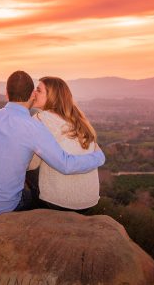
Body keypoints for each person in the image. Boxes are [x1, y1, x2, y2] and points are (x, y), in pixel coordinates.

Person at [0, 71, 105, 222]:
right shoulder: (39, 125)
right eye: (35, 90)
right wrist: (98, 157)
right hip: (8, 205)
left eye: (39, 90)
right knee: (24, 180)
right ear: (31, 95)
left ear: (6, 94)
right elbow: (64, 163)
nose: (36, 93)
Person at [27, 76, 100, 213]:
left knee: (26, 166)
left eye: (38, 90)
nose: (33, 93)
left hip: (59, 202)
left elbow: (32, 164)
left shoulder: (40, 119)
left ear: (52, 96)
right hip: (89, 200)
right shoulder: (79, 120)